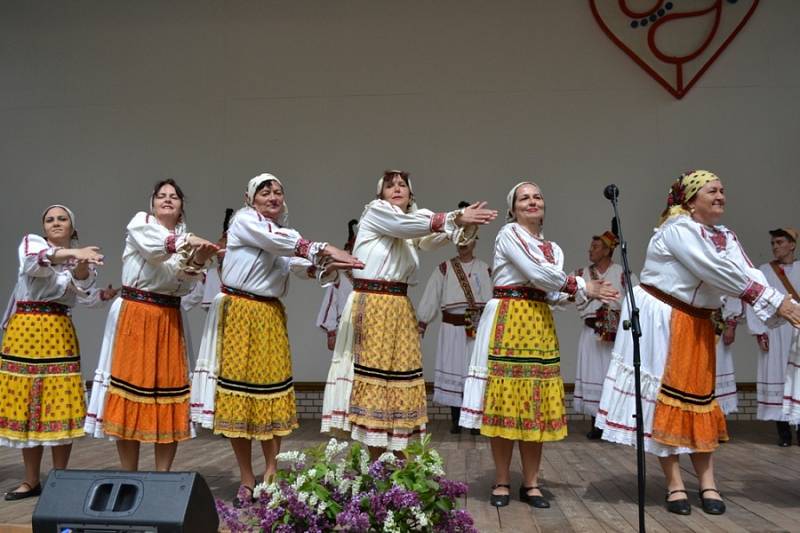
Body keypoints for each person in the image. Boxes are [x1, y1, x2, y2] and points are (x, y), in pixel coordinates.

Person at [596, 171, 800, 516]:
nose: (721, 195)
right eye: (712, 190)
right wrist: (772, 301)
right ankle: (675, 483)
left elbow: (747, 272)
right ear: (691, 200)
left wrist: (787, 305)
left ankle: (708, 482)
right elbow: (712, 270)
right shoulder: (677, 230)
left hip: (698, 322)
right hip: (664, 318)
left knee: (702, 401)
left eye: (723, 190)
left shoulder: (725, 235)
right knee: (668, 402)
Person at [190, 173, 362, 505]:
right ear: (249, 198)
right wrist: (321, 248)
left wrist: (325, 266)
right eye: (265, 191)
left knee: (270, 394)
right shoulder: (244, 222)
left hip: (268, 315)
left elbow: (298, 263)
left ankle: (270, 471)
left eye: (278, 191)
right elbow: (287, 246)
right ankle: (245, 476)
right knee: (238, 398)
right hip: (239, 313)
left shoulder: (284, 234)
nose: (272, 196)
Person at [460, 182, 619, 509]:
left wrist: (582, 291)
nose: (532, 202)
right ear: (513, 209)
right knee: (505, 402)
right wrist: (581, 285)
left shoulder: (554, 249)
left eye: (537, 197)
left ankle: (531, 483)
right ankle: (502, 479)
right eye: (524, 198)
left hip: (538, 323)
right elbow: (535, 272)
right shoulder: (509, 235)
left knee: (533, 404)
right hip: (509, 316)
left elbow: (549, 290)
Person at [321, 170, 497, 456]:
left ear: (411, 195)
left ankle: (396, 454)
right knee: (375, 377)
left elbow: (431, 237)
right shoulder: (377, 212)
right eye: (390, 186)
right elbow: (409, 227)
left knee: (400, 378)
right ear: (381, 195)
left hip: (399, 306)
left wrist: (460, 224)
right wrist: (454, 217)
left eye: (402, 185)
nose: (397, 188)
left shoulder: (411, 223)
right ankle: (376, 457)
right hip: (374, 303)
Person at [84, 179, 219, 472]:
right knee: (129, 392)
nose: (167, 200)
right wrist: (188, 245)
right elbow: (155, 250)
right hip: (136, 311)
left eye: (173, 196)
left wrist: (197, 260)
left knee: (168, 396)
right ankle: (128, 473)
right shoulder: (141, 223)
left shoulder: (185, 238)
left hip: (168, 317)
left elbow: (182, 284)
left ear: (181, 207)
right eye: (161, 196)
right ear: (153, 203)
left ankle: (162, 475)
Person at [1, 205, 104, 500]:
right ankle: (30, 480)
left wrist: (83, 266)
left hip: (58, 331)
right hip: (25, 332)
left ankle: (61, 479)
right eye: (50, 219)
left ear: (73, 228)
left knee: (60, 404)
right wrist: (76, 255)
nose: (56, 223)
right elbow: (34, 264)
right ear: (43, 227)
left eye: (62, 219)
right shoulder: (32, 243)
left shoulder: (81, 259)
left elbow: (83, 291)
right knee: (28, 407)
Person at [417, 202, 492, 434]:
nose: (463, 244)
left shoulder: (485, 269)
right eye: (460, 240)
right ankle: (456, 419)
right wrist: (422, 323)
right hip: (451, 328)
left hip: (476, 329)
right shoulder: (444, 268)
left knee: (474, 371)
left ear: (475, 240)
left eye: (468, 239)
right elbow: (431, 296)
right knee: (454, 369)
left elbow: (493, 301)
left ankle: (475, 421)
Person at [569, 228, 636, 439]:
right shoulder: (581, 275)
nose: (590, 250)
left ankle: (616, 424)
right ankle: (596, 424)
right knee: (593, 375)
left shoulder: (624, 275)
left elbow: (637, 301)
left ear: (608, 251)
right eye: (591, 247)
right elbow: (566, 294)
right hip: (591, 333)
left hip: (617, 336)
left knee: (614, 377)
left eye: (596, 247)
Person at [746, 228, 800, 446]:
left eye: (779, 242)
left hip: (797, 330)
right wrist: (759, 331)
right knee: (777, 373)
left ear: (792, 245)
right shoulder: (764, 271)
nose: (775, 247)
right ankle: (783, 433)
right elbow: (754, 302)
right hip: (775, 330)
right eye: (773, 243)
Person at [316, 220, 358, 351]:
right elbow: (331, 301)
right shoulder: (339, 273)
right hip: (346, 327)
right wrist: (331, 332)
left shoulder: (373, 275)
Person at [714, 296, 743, 416]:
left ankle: (717, 419)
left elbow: (732, 293)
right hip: (689, 321)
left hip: (715, 325)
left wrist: (730, 325)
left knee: (718, 366)